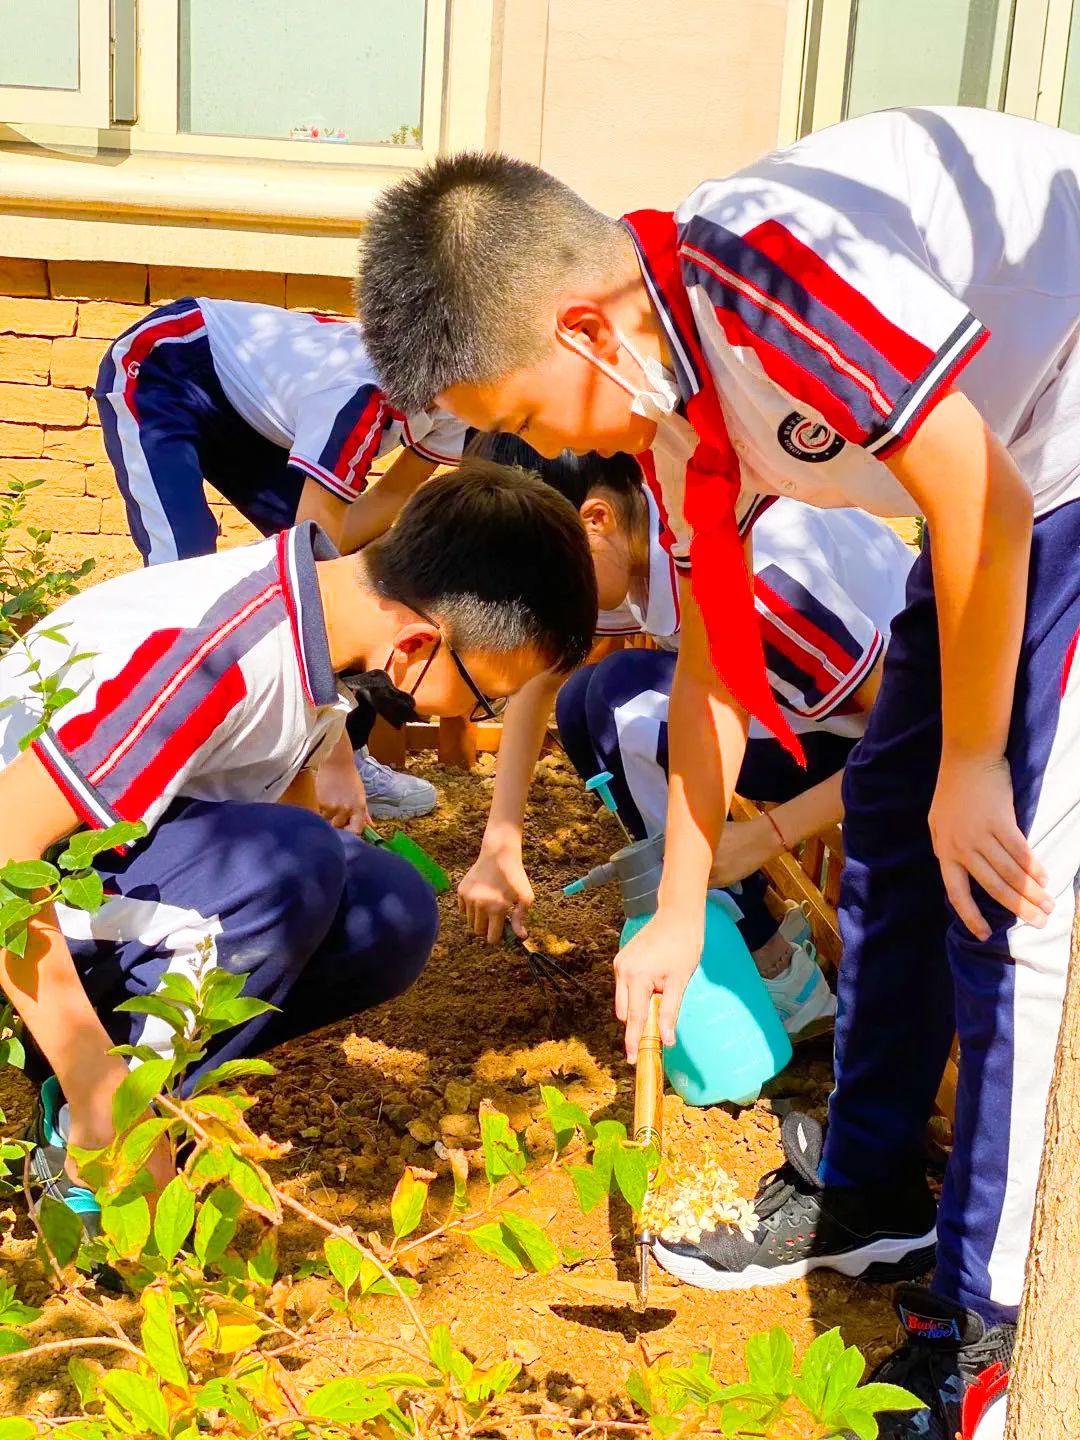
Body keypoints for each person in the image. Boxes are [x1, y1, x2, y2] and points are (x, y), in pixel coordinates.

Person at [354, 109, 1080, 1439]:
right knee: (890, 839)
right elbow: (711, 677)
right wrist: (681, 910)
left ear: (582, 330)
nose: (563, 450)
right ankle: (871, 1198)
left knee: (1004, 896)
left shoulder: (765, 264)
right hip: (991, 498)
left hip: (1057, 477)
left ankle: (986, 1344)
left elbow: (986, 490)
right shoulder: (679, 416)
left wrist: (976, 761)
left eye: (525, 416)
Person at [0, 462, 597, 1228]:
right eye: (488, 697)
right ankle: (96, 1131)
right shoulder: (213, 654)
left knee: (391, 907)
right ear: (416, 644)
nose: (485, 711)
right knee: (292, 861)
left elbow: (255, 795)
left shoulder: (325, 612)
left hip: (93, 869)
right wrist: (98, 1082)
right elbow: (10, 846)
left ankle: (138, 1083)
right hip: (30, 876)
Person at [460, 437, 914, 1038]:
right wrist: (500, 841)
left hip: (884, 745)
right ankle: (744, 937)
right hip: (805, 719)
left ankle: (771, 971)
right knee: (584, 701)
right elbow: (542, 682)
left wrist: (762, 837)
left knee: (627, 700)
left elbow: (913, 735)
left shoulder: (764, 585)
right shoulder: (642, 538)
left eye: (539, 588)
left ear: (595, 519)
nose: (543, 610)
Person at [94, 297, 465, 819]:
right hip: (165, 369)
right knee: (184, 564)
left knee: (350, 580)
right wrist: (325, 761)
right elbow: (307, 574)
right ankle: (166, 765)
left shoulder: (458, 407)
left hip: (253, 420)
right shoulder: (361, 396)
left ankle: (349, 753)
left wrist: (279, 565)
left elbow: (380, 506)